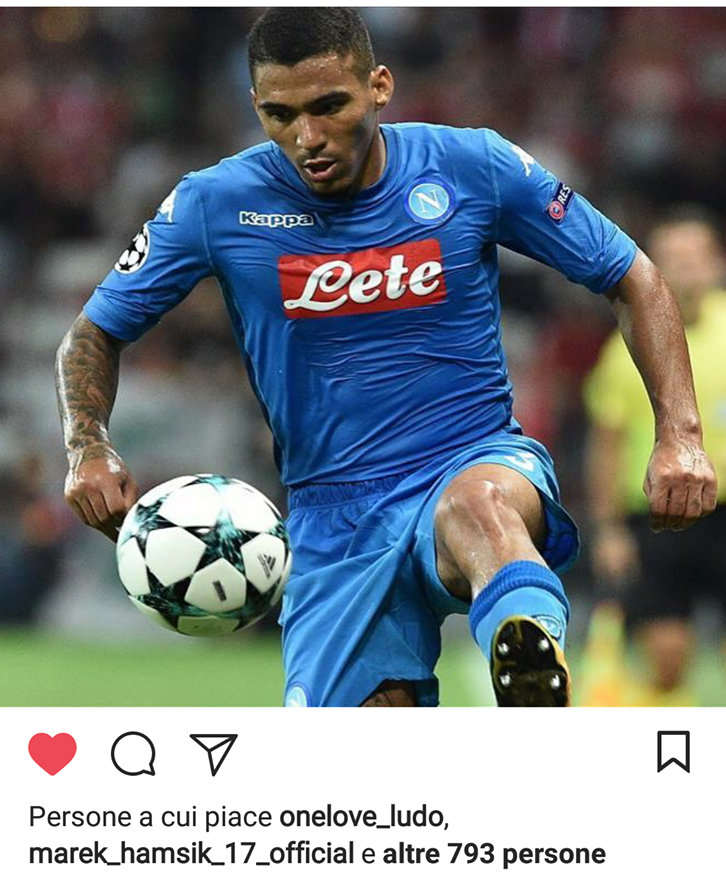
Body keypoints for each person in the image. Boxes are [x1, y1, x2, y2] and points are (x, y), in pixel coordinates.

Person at [55, 8, 717, 708]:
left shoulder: (473, 166)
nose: (308, 137)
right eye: (280, 115)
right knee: (362, 757)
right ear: (255, 105)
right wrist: (87, 445)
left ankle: (528, 659)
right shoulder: (214, 204)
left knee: (477, 505)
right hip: (332, 516)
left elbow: (632, 275)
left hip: (471, 457)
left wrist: (680, 434)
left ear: (379, 86)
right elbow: (91, 334)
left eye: (328, 106)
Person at [584, 209, 726, 705]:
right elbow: (606, 443)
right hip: (660, 517)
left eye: (695, 257)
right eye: (672, 259)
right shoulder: (626, 347)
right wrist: (608, 530)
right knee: (666, 658)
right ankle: (672, 745)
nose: (685, 270)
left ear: (717, 263)